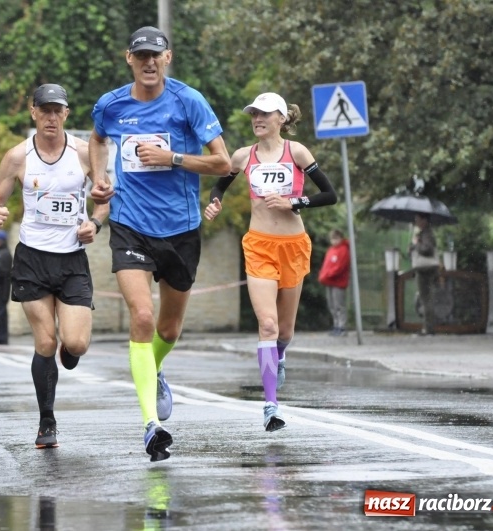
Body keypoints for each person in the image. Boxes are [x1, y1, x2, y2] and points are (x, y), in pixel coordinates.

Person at [88, 26, 231, 462]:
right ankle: (151, 425)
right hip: (131, 224)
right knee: (143, 316)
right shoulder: (111, 106)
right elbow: (96, 140)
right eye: (141, 56)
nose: (149, 62)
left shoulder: (188, 101)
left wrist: (170, 158)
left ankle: (157, 366)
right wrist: (99, 178)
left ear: (168, 59)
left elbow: (223, 162)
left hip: (181, 229)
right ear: (128, 59)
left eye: (157, 55)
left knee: (168, 330)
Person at [0, 83, 109, 449]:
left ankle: (69, 351)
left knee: (76, 344)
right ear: (33, 112)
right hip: (32, 259)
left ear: (67, 114)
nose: (52, 117)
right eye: (45, 109)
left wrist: (95, 223)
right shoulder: (17, 157)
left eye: (58, 110)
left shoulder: (86, 154)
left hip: (72, 259)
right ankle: (46, 421)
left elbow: (103, 199)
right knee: (45, 341)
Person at [204, 92, 337, 432]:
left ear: (280, 118)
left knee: (285, 332)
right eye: (253, 115)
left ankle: (280, 354)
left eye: (264, 114)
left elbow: (330, 194)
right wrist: (215, 203)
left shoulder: (297, 152)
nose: (257, 120)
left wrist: (296, 202)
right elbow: (219, 186)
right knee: (267, 324)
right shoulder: (242, 156)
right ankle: (270, 405)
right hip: (259, 245)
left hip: (293, 246)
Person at [409, 213, 440, 335]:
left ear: (424, 220)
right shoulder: (425, 233)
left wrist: (416, 244)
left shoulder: (427, 233)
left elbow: (427, 249)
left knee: (426, 297)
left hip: (425, 269)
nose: (416, 222)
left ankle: (428, 328)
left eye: (418, 219)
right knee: (427, 297)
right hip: (427, 268)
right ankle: (428, 327)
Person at [318, 229, 350, 336]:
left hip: (338, 282)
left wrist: (327, 275)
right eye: (332, 239)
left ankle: (342, 327)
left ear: (341, 238)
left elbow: (340, 267)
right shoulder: (331, 250)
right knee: (332, 305)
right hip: (329, 281)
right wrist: (324, 275)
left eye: (336, 239)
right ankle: (336, 325)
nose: (334, 241)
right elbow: (326, 265)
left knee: (339, 305)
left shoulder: (343, 250)